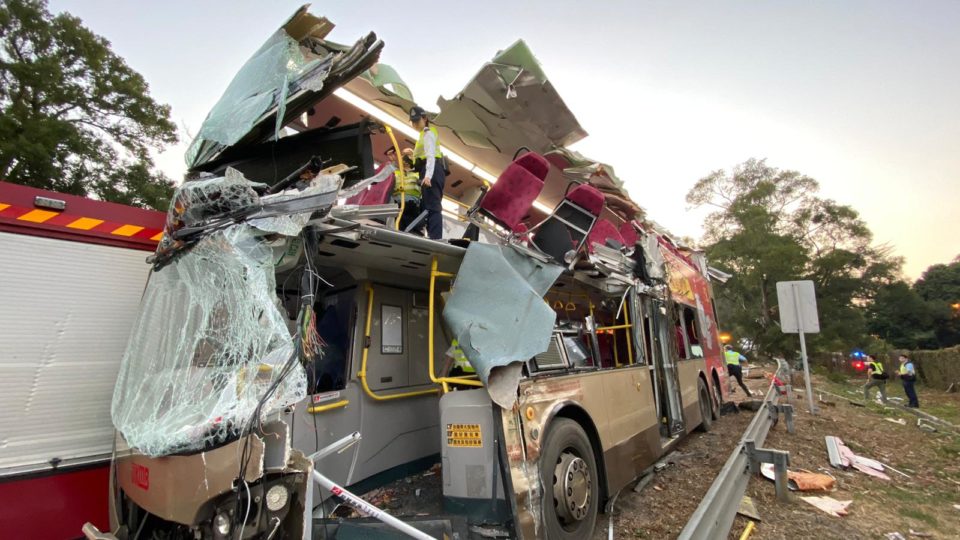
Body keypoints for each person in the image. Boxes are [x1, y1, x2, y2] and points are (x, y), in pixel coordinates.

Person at [409, 106, 446, 240]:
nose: (414, 124)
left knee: (432, 206)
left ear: (425, 118)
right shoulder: (423, 135)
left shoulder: (428, 133)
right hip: (431, 169)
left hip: (432, 170)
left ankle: (435, 238)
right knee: (427, 206)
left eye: (417, 120)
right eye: (412, 121)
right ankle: (431, 236)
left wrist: (428, 176)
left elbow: (430, 156)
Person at [384, 147, 422, 232]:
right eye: (403, 154)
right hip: (396, 205)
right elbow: (385, 176)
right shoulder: (396, 172)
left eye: (408, 155)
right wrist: (393, 161)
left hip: (411, 206)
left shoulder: (418, 173)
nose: (405, 157)